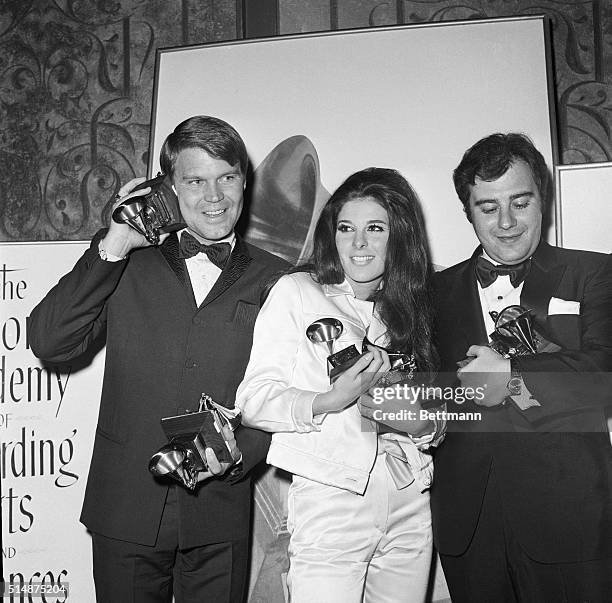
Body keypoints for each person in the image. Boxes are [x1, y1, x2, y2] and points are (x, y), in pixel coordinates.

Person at [29, 115, 288, 602]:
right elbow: (49, 341)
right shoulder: (122, 258)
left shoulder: (278, 278)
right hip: (126, 505)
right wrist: (116, 243)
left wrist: (240, 453)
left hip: (220, 512)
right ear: (168, 187)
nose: (213, 197)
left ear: (244, 181)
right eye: (194, 181)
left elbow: (283, 394)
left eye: (226, 178)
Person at [236, 167, 444, 603]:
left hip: (410, 500)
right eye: (346, 228)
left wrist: (422, 425)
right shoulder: (297, 291)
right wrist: (330, 399)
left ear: (399, 236)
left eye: (375, 228)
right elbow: (253, 400)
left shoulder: (414, 307)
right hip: (332, 499)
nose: (358, 243)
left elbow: (438, 414)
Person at [431, 133, 612, 602]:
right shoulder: (430, 293)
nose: (506, 222)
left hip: (570, 516)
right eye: (488, 207)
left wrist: (512, 375)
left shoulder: (595, 273)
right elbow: (428, 396)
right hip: (468, 525)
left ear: (543, 199)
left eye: (520, 202)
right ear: (468, 212)